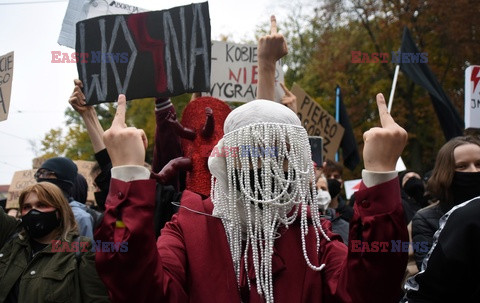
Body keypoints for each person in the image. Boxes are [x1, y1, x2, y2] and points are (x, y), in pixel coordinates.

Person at [94, 16, 408, 302]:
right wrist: (127, 175)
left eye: (278, 153)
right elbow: (138, 288)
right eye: (251, 151)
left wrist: (380, 177)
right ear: (226, 158)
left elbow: (370, 291)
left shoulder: (312, 232)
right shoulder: (191, 223)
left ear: (296, 163)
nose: (264, 163)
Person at [0, 182, 109, 302]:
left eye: (41, 205)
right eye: (27, 207)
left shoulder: (82, 250)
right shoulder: (12, 242)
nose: (33, 212)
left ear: (59, 211)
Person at [405, 137, 480, 301]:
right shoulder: (425, 218)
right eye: (462, 166)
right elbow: (432, 276)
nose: (474, 171)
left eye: (479, 164)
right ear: (446, 172)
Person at [35, 157, 95, 240]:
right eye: (38, 174)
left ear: (62, 178)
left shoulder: (79, 217)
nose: (40, 177)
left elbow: (82, 251)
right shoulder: (34, 212)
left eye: (45, 173)